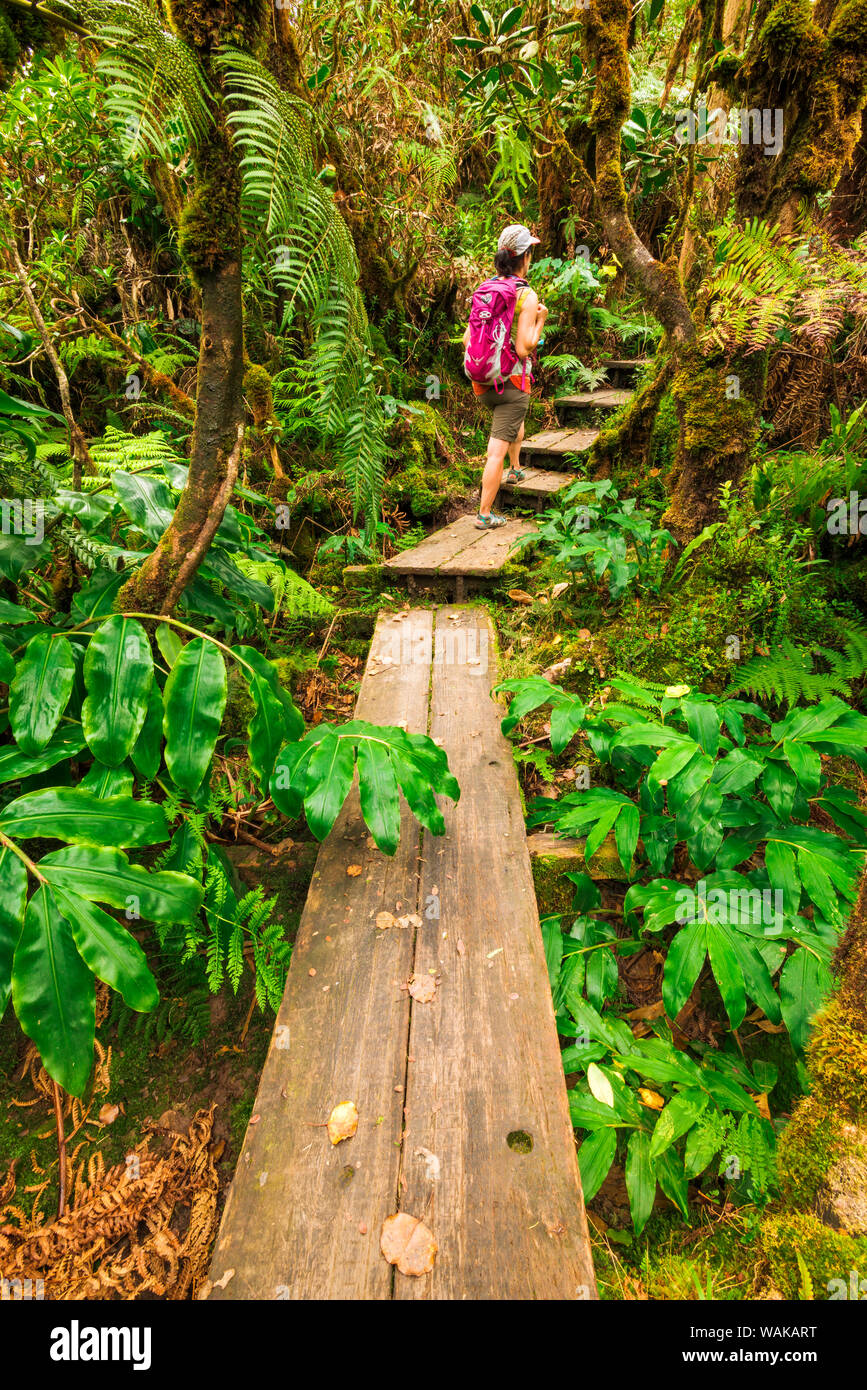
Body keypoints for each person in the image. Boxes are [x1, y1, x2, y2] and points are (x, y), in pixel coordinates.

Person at [463, 224, 548, 529]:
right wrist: (540, 320)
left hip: (481, 382)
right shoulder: (525, 294)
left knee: (512, 422)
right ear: (524, 258)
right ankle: (484, 514)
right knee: (494, 451)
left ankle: (514, 469)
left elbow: (466, 340)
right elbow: (525, 349)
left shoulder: (484, 289)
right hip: (511, 384)